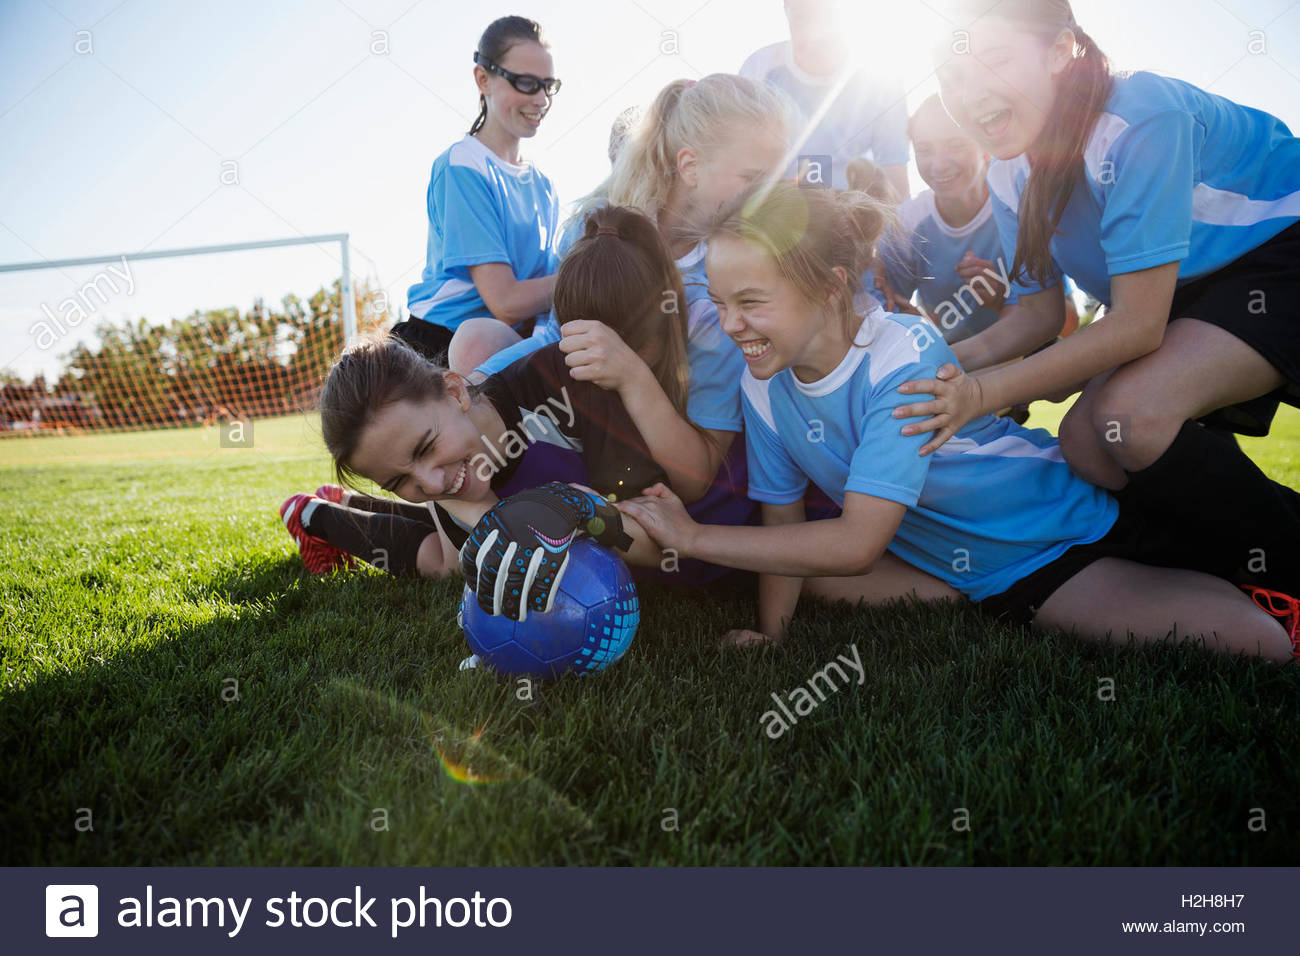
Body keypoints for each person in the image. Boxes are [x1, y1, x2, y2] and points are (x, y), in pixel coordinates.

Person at [614, 182, 1297, 663]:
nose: (730, 325)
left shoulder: (901, 357)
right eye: (720, 301)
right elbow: (784, 518)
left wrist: (695, 537)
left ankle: (1242, 571)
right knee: (812, 575)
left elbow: (855, 544)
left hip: (1062, 530)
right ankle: (966, 591)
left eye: (751, 302)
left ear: (827, 286)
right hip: (980, 572)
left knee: (1257, 643)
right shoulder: (762, 384)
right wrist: (774, 635)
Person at [891, 0, 1300, 595]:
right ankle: (1234, 565)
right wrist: (933, 362)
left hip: (1279, 256)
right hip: (1185, 293)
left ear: (1060, 52)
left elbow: (1136, 325)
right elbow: (1036, 314)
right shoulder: (1009, 172)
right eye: (951, 76)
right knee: (1087, 442)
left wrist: (979, 395)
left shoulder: (1137, 116)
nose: (970, 90)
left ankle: (1286, 572)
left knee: (1131, 416)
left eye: (995, 58)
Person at [396, 16, 562, 368]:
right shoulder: (463, 166)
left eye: (549, 85)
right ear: (482, 79)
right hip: (439, 346)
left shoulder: (543, 184)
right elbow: (506, 301)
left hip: (504, 347)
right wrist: (586, 277)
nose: (542, 99)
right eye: (526, 83)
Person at [872, 95, 1079, 348]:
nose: (938, 165)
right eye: (924, 150)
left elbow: (1069, 322)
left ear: (985, 147)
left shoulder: (1018, 204)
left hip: (1016, 361)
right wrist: (913, 327)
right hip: (947, 365)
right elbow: (878, 316)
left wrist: (1005, 300)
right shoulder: (907, 223)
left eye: (955, 145)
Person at [740, 0, 909, 197]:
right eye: (801, 18)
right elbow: (740, 162)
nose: (813, 34)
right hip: (776, 206)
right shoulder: (760, 68)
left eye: (826, 18)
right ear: (787, 14)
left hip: (852, 211)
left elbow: (895, 175)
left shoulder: (883, 79)